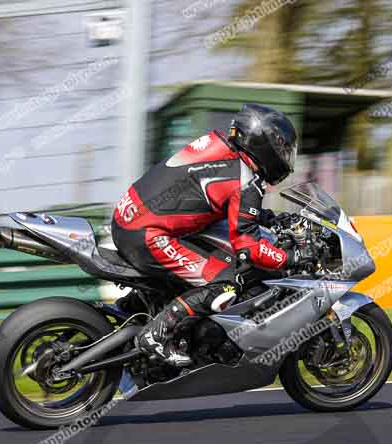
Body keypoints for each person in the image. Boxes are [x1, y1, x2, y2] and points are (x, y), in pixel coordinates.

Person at [111, 104, 315, 367]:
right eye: (283, 149)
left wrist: (268, 218)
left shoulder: (216, 146)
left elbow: (212, 199)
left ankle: (137, 313)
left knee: (203, 263)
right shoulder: (246, 181)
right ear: (265, 144)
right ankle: (156, 335)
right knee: (225, 282)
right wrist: (291, 257)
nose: (286, 157)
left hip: (128, 218)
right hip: (148, 235)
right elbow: (248, 247)